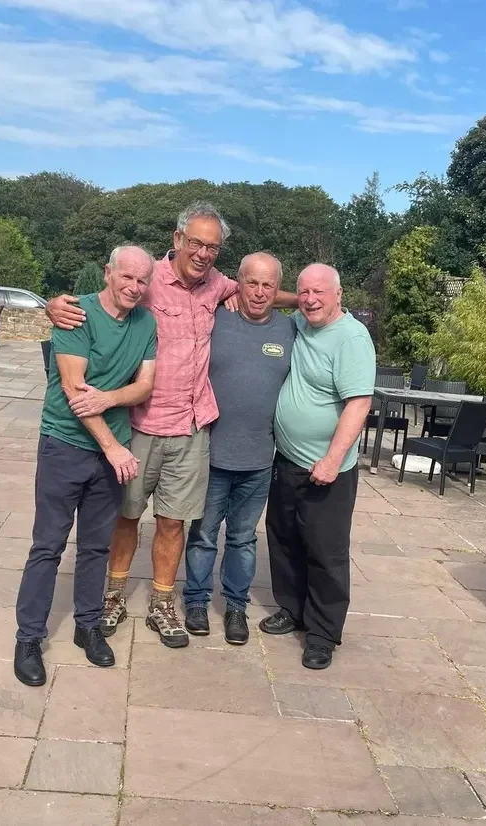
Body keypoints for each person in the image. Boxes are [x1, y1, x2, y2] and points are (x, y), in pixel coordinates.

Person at [45, 202, 297, 649]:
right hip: (139, 423)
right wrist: (53, 304)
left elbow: (259, 292)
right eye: (196, 242)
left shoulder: (218, 285)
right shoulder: (146, 281)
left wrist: (313, 302)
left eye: (213, 247)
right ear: (178, 239)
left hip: (191, 427)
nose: (203, 253)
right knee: (126, 516)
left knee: (173, 522)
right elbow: (104, 301)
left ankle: (162, 604)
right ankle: (114, 595)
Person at [14, 246, 157, 687]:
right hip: (65, 445)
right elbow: (76, 392)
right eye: (127, 277)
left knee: (97, 547)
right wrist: (114, 447)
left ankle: (88, 626)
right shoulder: (75, 314)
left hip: (109, 452)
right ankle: (29, 637)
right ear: (109, 273)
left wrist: (112, 398)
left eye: (142, 280)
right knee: (48, 546)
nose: (134, 287)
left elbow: (146, 385)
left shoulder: (146, 323)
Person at [259, 264, 375, 671]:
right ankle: (293, 610)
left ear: (339, 295)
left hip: (329, 469)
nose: (310, 299)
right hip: (287, 461)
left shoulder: (352, 337)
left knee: (325, 552)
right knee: (285, 538)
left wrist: (330, 459)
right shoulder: (302, 324)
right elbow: (265, 296)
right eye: (304, 292)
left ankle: (322, 633)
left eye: (319, 293)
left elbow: (359, 403)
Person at [183, 253, 295, 644]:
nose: (260, 292)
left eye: (268, 285)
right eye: (252, 283)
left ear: (277, 288)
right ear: (238, 283)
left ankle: (235, 607)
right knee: (202, 534)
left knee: (244, 539)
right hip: (211, 453)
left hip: (259, 459)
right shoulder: (216, 317)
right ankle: (196, 601)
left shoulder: (290, 330)